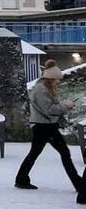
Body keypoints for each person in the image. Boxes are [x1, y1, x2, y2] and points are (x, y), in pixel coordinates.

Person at [15, 60, 82, 194]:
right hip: (44, 127)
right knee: (62, 153)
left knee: (36, 154)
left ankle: (21, 179)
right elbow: (49, 109)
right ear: (50, 78)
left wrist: (64, 105)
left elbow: (50, 108)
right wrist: (66, 105)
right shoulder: (41, 90)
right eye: (57, 79)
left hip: (46, 126)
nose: (58, 82)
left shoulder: (44, 89)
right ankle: (78, 183)